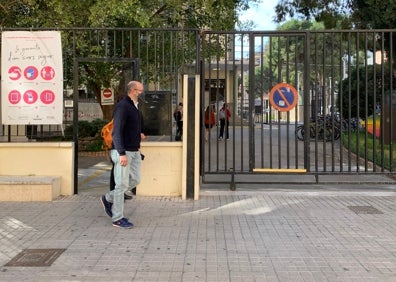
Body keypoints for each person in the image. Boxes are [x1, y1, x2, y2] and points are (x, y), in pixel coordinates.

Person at [100, 80, 145, 229]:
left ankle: (108, 198)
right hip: (123, 152)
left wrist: (138, 135)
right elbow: (116, 132)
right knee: (121, 185)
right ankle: (117, 218)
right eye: (140, 90)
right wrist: (121, 153)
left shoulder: (134, 106)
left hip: (134, 150)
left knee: (135, 180)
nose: (141, 93)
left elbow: (128, 129)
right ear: (132, 90)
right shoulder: (123, 107)